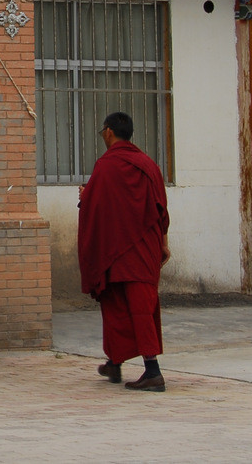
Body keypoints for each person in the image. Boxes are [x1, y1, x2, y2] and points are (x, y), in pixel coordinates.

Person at [77, 111, 171, 392]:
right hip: (143, 249)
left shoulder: (107, 165)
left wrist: (85, 196)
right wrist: (164, 242)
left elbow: (94, 203)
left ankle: (153, 372)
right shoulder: (148, 164)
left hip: (117, 251)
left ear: (108, 132)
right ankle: (114, 363)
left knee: (129, 307)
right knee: (123, 305)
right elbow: (161, 209)